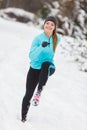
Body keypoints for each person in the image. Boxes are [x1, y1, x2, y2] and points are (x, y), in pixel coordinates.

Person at [21, 16, 61, 122]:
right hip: (34, 68)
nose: (49, 25)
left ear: (54, 27)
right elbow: (31, 56)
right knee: (28, 94)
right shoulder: (38, 39)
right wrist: (41, 47)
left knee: (46, 64)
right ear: (44, 24)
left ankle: (39, 91)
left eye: (52, 24)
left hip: (49, 67)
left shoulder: (57, 39)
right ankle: (23, 118)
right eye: (47, 23)